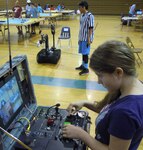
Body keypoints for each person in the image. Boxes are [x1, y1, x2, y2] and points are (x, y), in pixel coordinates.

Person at [62, 40, 143, 150]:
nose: (99, 81)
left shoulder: (125, 113)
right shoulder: (134, 87)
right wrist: (85, 103)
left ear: (118, 73)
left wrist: (82, 134)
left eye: (100, 76)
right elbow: (109, 112)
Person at [75, 1, 94, 76]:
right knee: (83, 52)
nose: (79, 9)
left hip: (86, 38)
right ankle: (83, 65)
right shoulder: (82, 15)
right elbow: (81, 27)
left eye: (79, 7)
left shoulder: (90, 16)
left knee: (85, 53)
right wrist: (79, 38)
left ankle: (86, 69)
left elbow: (91, 28)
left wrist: (89, 39)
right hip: (82, 37)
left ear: (83, 7)